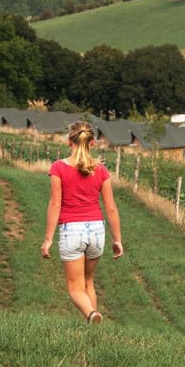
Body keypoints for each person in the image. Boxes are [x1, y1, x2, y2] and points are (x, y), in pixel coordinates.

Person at [41, 121, 123, 324]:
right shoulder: (101, 170)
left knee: (74, 288)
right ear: (93, 143)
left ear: (70, 141)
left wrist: (48, 239)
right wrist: (117, 239)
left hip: (72, 231)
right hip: (96, 230)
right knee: (88, 282)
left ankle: (92, 314)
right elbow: (111, 207)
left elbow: (55, 204)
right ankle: (94, 330)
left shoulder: (58, 168)